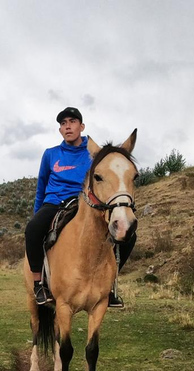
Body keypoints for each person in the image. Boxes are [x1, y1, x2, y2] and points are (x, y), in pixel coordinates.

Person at [25, 107, 135, 306]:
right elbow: (41, 185)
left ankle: (108, 284)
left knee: (129, 235)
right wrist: (37, 214)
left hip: (86, 203)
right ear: (60, 130)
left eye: (72, 122)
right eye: (63, 123)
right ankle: (38, 284)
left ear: (81, 126)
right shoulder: (51, 154)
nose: (68, 126)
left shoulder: (95, 153)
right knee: (32, 230)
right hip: (54, 203)